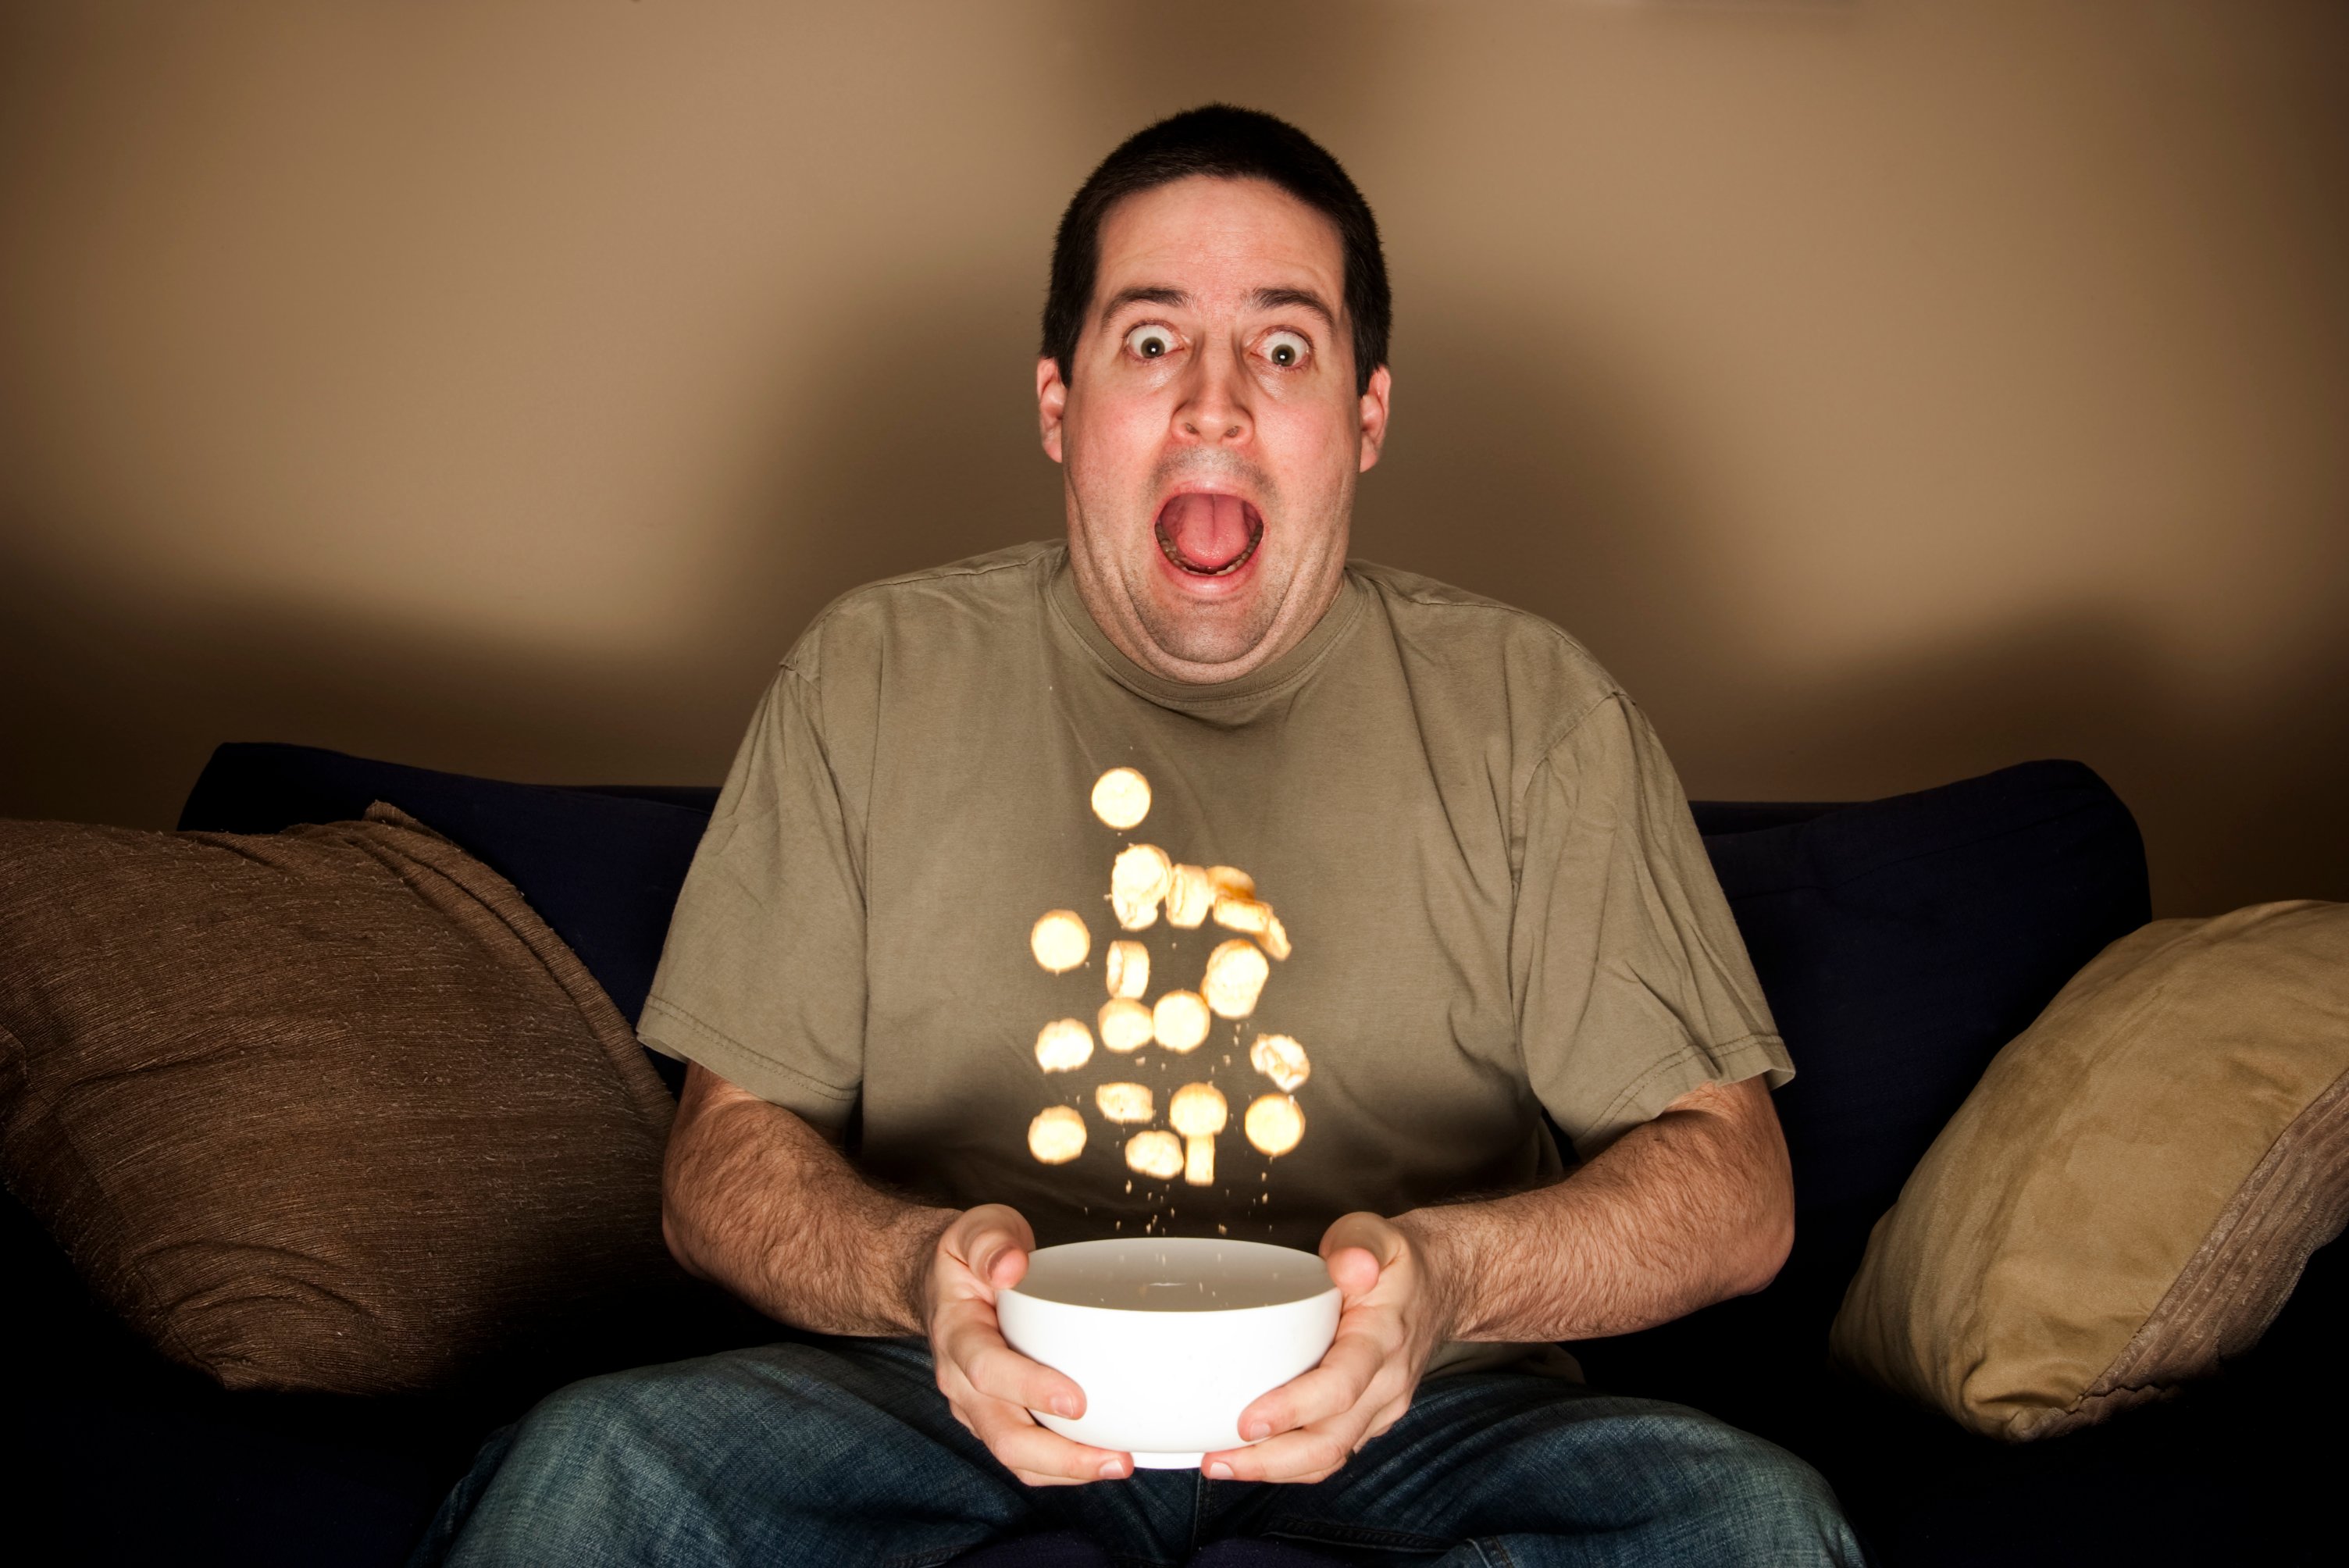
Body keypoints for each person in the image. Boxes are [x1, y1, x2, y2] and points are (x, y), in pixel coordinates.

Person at [417, 105, 1864, 1567]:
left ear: (1366, 417)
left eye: (1283, 350)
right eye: (1154, 341)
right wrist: (917, 1274)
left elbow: (1737, 1193)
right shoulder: (869, 677)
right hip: (945, 1394)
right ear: (1059, 404)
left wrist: (1443, 1280)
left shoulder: (1536, 712)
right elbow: (718, 1164)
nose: (1215, 407)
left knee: (1751, 1521)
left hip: (1417, 1408)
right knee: (591, 1468)